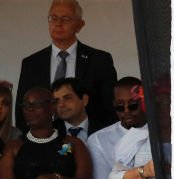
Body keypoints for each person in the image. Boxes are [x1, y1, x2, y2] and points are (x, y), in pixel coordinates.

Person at [16, 0, 117, 130]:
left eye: (66, 18)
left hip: (90, 140)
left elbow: (110, 107)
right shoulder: (31, 63)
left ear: (79, 25)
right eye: (53, 18)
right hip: (43, 142)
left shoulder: (100, 60)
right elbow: (22, 109)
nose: (58, 23)